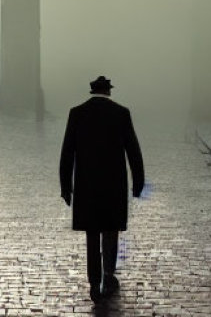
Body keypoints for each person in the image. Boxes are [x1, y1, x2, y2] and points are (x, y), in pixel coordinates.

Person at [59, 75, 144, 303]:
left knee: (92, 234)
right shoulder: (121, 113)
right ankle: (108, 276)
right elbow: (133, 151)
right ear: (108, 92)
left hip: (87, 186)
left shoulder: (76, 113)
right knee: (110, 231)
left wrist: (66, 186)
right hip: (113, 185)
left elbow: (67, 152)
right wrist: (138, 183)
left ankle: (94, 283)